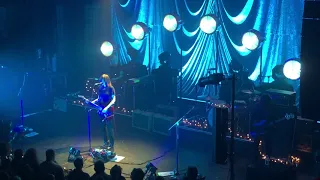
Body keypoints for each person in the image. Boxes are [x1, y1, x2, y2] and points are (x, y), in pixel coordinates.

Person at [89, 74, 116, 150]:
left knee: (109, 128)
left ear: (106, 80)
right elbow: (98, 98)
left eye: (103, 80)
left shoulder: (111, 88)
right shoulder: (100, 88)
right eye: (101, 80)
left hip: (108, 111)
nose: (101, 81)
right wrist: (92, 102)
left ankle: (111, 144)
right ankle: (105, 142)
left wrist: (107, 108)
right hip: (101, 110)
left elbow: (114, 100)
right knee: (102, 128)